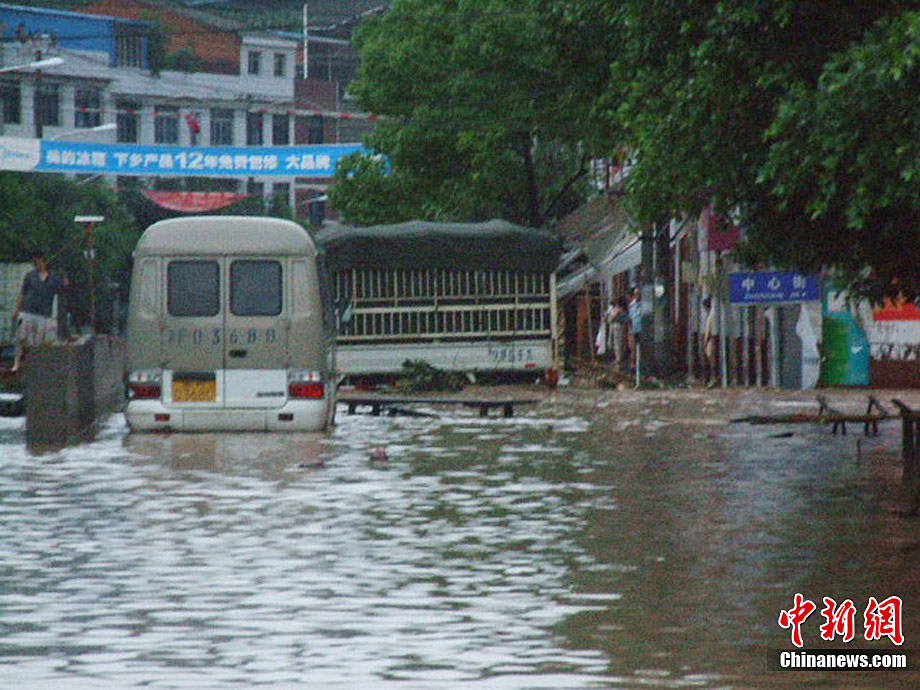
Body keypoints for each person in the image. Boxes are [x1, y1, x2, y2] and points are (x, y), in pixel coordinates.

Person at [10, 249, 68, 373]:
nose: (36, 264)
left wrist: (65, 284)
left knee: (36, 341)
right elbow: (22, 293)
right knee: (21, 337)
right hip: (27, 311)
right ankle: (17, 363)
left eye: (38, 262)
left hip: (43, 314)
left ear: (43, 261)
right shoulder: (30, 276)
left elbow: (61, 291)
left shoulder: (54, 277)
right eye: (34, 262)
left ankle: (33, 365)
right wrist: (16, 310)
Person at [607, 296, 630, 371]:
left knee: (617, 344)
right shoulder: (625, 311)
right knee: (619, 344)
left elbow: (611, 318)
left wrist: (615, 313)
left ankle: (618, 361)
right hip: (621, 327)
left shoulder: (620, 311)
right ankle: (618, 360)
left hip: (618, 326)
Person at [702, 296, 717, 387]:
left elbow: (710, 331)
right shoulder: (710, 316)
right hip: (709, 340)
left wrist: (706, 342)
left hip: (710, 340)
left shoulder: (711, 317)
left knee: (711, 360)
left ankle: (712, 378)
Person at [628, 286, 642, 371]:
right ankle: (633, 364)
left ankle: (640, 364)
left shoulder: (643, 304)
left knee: (641, 348)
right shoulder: (631, 305)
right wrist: (630, 330)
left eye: (638, 294)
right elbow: (630, 318)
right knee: (633, 348)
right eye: (635, 294)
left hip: (642, 329)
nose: (637, 295)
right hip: (634, 329)